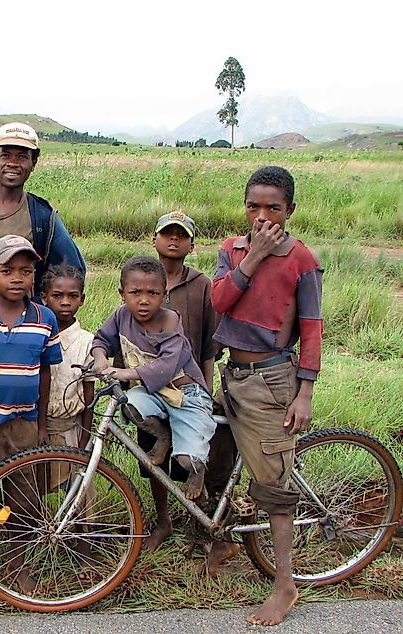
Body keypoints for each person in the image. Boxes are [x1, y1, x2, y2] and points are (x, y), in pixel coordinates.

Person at [211, 166, 323, 626]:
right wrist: (252, 257)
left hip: (272, 380)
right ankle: (221, 541)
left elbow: (313, 328)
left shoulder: (303, 260)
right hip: (233, 375)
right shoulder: (231, 250)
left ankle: (285, 585)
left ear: (289, 210)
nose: (262, 216)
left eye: (273, 207)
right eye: (253, 206)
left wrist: (304, 393)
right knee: (217, 458)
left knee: (275, 490)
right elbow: (219, 301)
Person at [0, 234, 62, 593]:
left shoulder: (44, 318)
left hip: (24, 425)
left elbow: (46, 371)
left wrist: (42, 425)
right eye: (7, 271)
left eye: (25, 271)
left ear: (34, 276)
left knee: (23, 501)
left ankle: (17, 565)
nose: (17, 278)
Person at [137, 211, 237, 566]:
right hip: (152, 385)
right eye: (167, 234)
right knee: (152, 459)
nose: (174, 240)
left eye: (182, 235)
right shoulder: (143, 279)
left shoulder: (202, 285)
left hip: (189, 386)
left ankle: (203, 529)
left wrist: (206, 389)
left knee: (197, 457)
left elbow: (210, 345)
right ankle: (163, 522)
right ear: (155, 240)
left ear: (192, 244)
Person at [91, 256, 216, 500]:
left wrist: (124, 373)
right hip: (152, 392)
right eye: (135, 292)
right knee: (128, 405)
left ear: (164, 293)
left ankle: (198, 470)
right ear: (122, 293)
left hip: (186, 396)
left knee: (186, 460)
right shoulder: (121, 316)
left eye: (153, 293)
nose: (144, 300)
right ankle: (163, 435)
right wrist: (100, 358)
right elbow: (102, 340)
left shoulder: (170, 320)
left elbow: (165, 368)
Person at [0, 122, 85, 298]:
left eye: (22, 157)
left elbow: (72, 269)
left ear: (33, 163)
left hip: (22, 321)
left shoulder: (41, 216)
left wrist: (40, 306)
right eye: (5, 155)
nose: (12, 163)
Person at [39, 264, 95, 451]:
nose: (65, 302)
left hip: (72, 429)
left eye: (73, 296)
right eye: (57, 296)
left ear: (82, 299)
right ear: (44, 299)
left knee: (72, 478)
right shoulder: (37, 335)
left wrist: (85, 436)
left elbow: (89, 394)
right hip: (37, 427)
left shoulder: (87, 341)